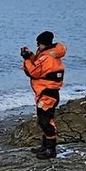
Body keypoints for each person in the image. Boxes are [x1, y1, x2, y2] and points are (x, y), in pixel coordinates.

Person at [20, 31, 67, 159]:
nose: (37, 47)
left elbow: (33, 71)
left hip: (47, 93)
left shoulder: (47, 58)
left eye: (38, 44)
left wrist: (25, 59)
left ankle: (50, 150)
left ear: (42, 43)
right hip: (47, 92)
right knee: (44, 120)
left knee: (45, 121)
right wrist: (30, 56)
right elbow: (38, 63)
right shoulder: (49, 54)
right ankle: (45, 146)